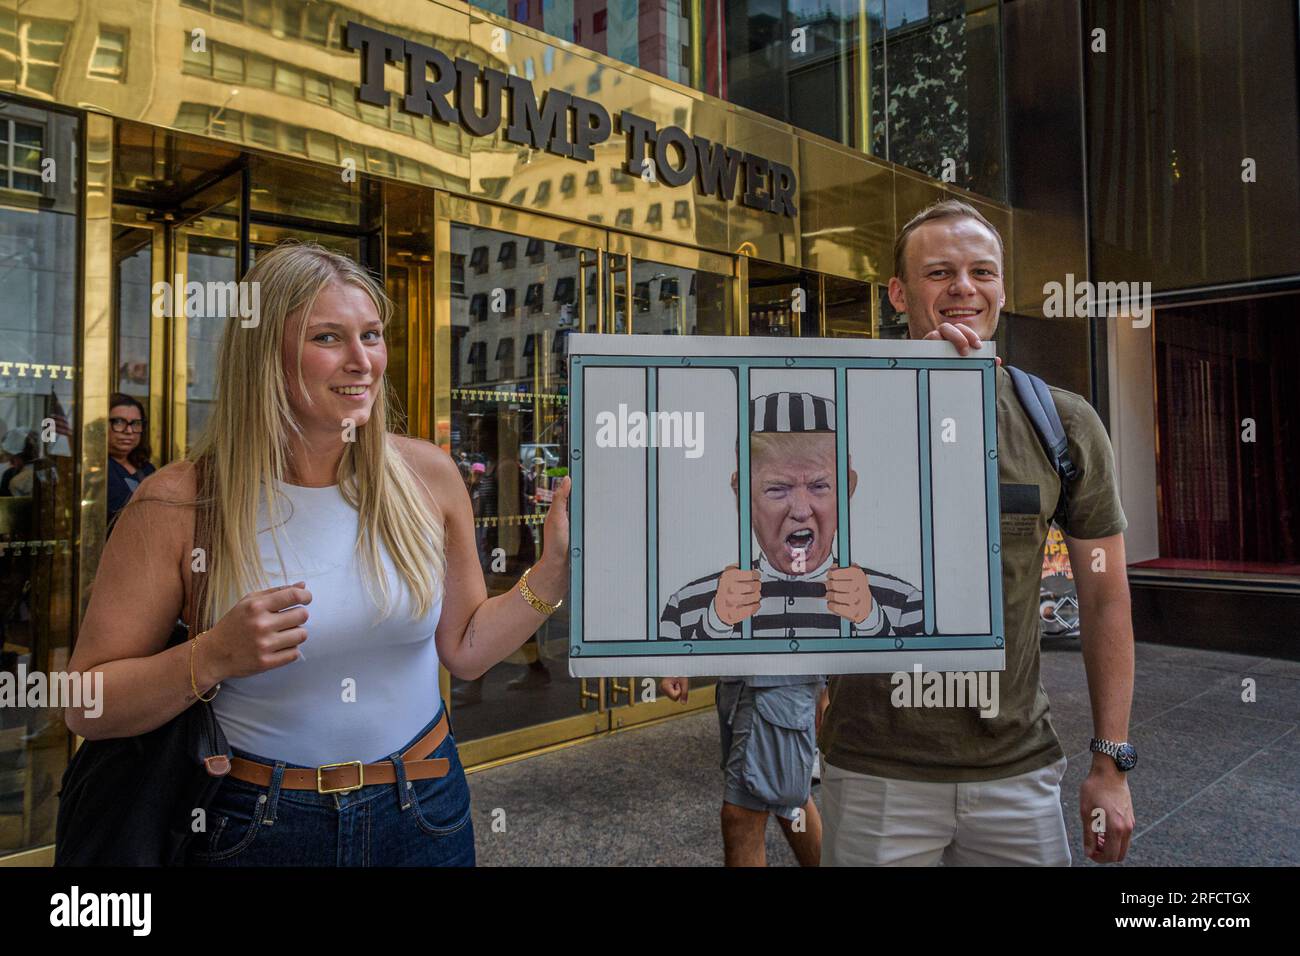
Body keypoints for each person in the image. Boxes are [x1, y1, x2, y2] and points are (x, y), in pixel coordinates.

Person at [67, 242, 571, 867]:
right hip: (256, 826)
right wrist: (214, 655)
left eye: (373, 335)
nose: (363, 361)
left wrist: (550, 573)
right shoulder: (178, 502)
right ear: (264, 355)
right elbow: (85, 702)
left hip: (425, 810)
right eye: (329, 337)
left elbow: (465, 649)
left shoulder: (427, 475)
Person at [818, 199, 1137, 866]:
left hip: (1016, 768)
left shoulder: (1064, 423)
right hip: (876, 767)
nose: (963, 288)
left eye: (981, 272)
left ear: (1000, 289)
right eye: (939, 273)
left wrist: (1111, 763)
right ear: (900, 294)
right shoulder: (839, 411)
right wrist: (911, 394)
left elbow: (1106, 598)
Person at [660, 392, 923, 867]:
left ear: (848, 488)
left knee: (742, 812)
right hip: (743, 687)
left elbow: (917, 651)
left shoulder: (894, 599)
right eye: (778, 489)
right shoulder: (699, 594)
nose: (800, 509)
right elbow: (676, 622)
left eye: (819, 486)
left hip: (777, 689)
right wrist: (705, 632)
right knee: (788, 798)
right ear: (743, 493)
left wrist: (868, 620)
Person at [106, 392, 156, 529]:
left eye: (135, 424)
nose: (128, 431)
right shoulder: (97, 469)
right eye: (118, 422)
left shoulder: (147, 468)